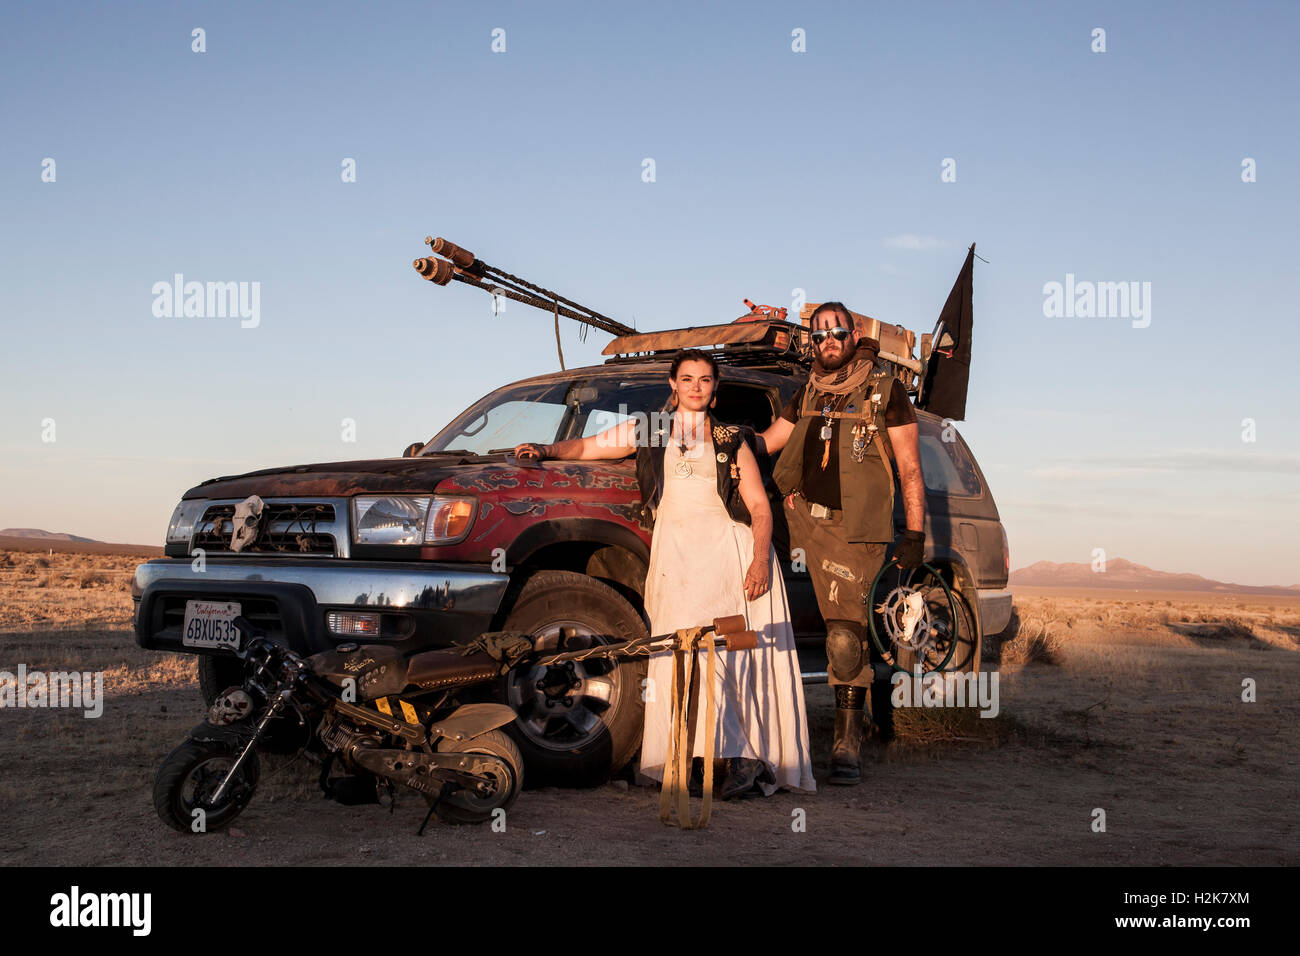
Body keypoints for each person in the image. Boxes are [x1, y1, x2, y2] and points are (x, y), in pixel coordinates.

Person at [514, 350, 815, 799]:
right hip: (675, 558)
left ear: (715, 389)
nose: (696, 386)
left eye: (706, 379)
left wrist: (756, 561)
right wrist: (545, 450)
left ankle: (734, 761)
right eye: (688, 378)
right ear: (673, 384)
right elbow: (587, 447)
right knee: (676, 652)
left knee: (723, 656)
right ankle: (684, 757)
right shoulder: (650, 429)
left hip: (725, 554)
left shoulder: (733, 437)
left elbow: (757, 507)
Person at [759, 302, 927, 785]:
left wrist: (913, 534)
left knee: (844, 635)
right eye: (818, 334)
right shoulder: (809, 389)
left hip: (859, 529)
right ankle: (868, 715)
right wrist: (724, 440)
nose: (827, 340)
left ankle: (846, 743)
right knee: (840, 630)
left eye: (836, 331)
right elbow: (772, 440)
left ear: (853, 334)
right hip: (808, 527)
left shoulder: (886, 391)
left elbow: (910, 469)